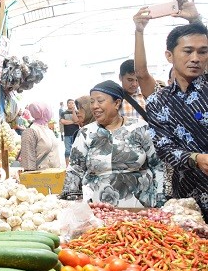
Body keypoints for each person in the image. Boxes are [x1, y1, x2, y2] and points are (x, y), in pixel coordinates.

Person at [60, 80, 161, 208]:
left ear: (117, 103)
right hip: (98, 210)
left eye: (100, 101)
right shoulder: (85, 133)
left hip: (140, 208)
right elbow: (74, 170)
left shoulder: (140, 128)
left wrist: (160, 201)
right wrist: (70, 205)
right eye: (92, 102)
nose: (94, 106)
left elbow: (157, 166)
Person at [146, 22, 208, 220]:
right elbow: (164, 148)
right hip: (188, 200)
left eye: (203, 52)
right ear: (169, 56)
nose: (196, 59)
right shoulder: (157, 101)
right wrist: (196, 159)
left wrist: (195, 17)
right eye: (188, 51)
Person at [133, 0, 202, 98]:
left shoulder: (205, 90)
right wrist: (139, 31)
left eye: (201, 52)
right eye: (187, 51)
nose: (194, 59)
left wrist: (195, 20)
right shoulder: (161, 99)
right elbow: (141, 74)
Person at [19, 102, 61, 171]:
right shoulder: (30, 132)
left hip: (54, 177)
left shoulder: (47, 129)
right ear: (45, 112)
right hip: (40, 178)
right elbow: (27, 164)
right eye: (48, 110)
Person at [59, 99, 79, 165]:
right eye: (69, 103)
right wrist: (73, 122)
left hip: (76, 134)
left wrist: (73, 111)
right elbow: (63, 122)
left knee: (76, 150)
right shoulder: (63, 113)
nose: (71, 104)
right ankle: (67, 165)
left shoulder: (77, 112)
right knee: (67, 150)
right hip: (67, 134)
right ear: (67, 104)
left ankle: (76, 165)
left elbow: (77, 121)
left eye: (72, 103)